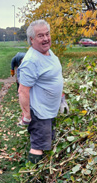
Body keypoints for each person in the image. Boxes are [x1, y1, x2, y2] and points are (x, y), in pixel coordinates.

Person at [17, 20, 66, 165]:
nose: (46, 38)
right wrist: (27, 115)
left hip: (50, 109)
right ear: (31, 39)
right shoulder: (31, 61)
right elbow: (23, 90)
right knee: (38, 146)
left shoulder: (48, 52)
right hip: (40, 112)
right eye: (40, 36)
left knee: (47, 141)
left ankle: (43, 169)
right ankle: (32, 176)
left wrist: (62, 99)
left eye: (47, 34)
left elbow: (55, 78)